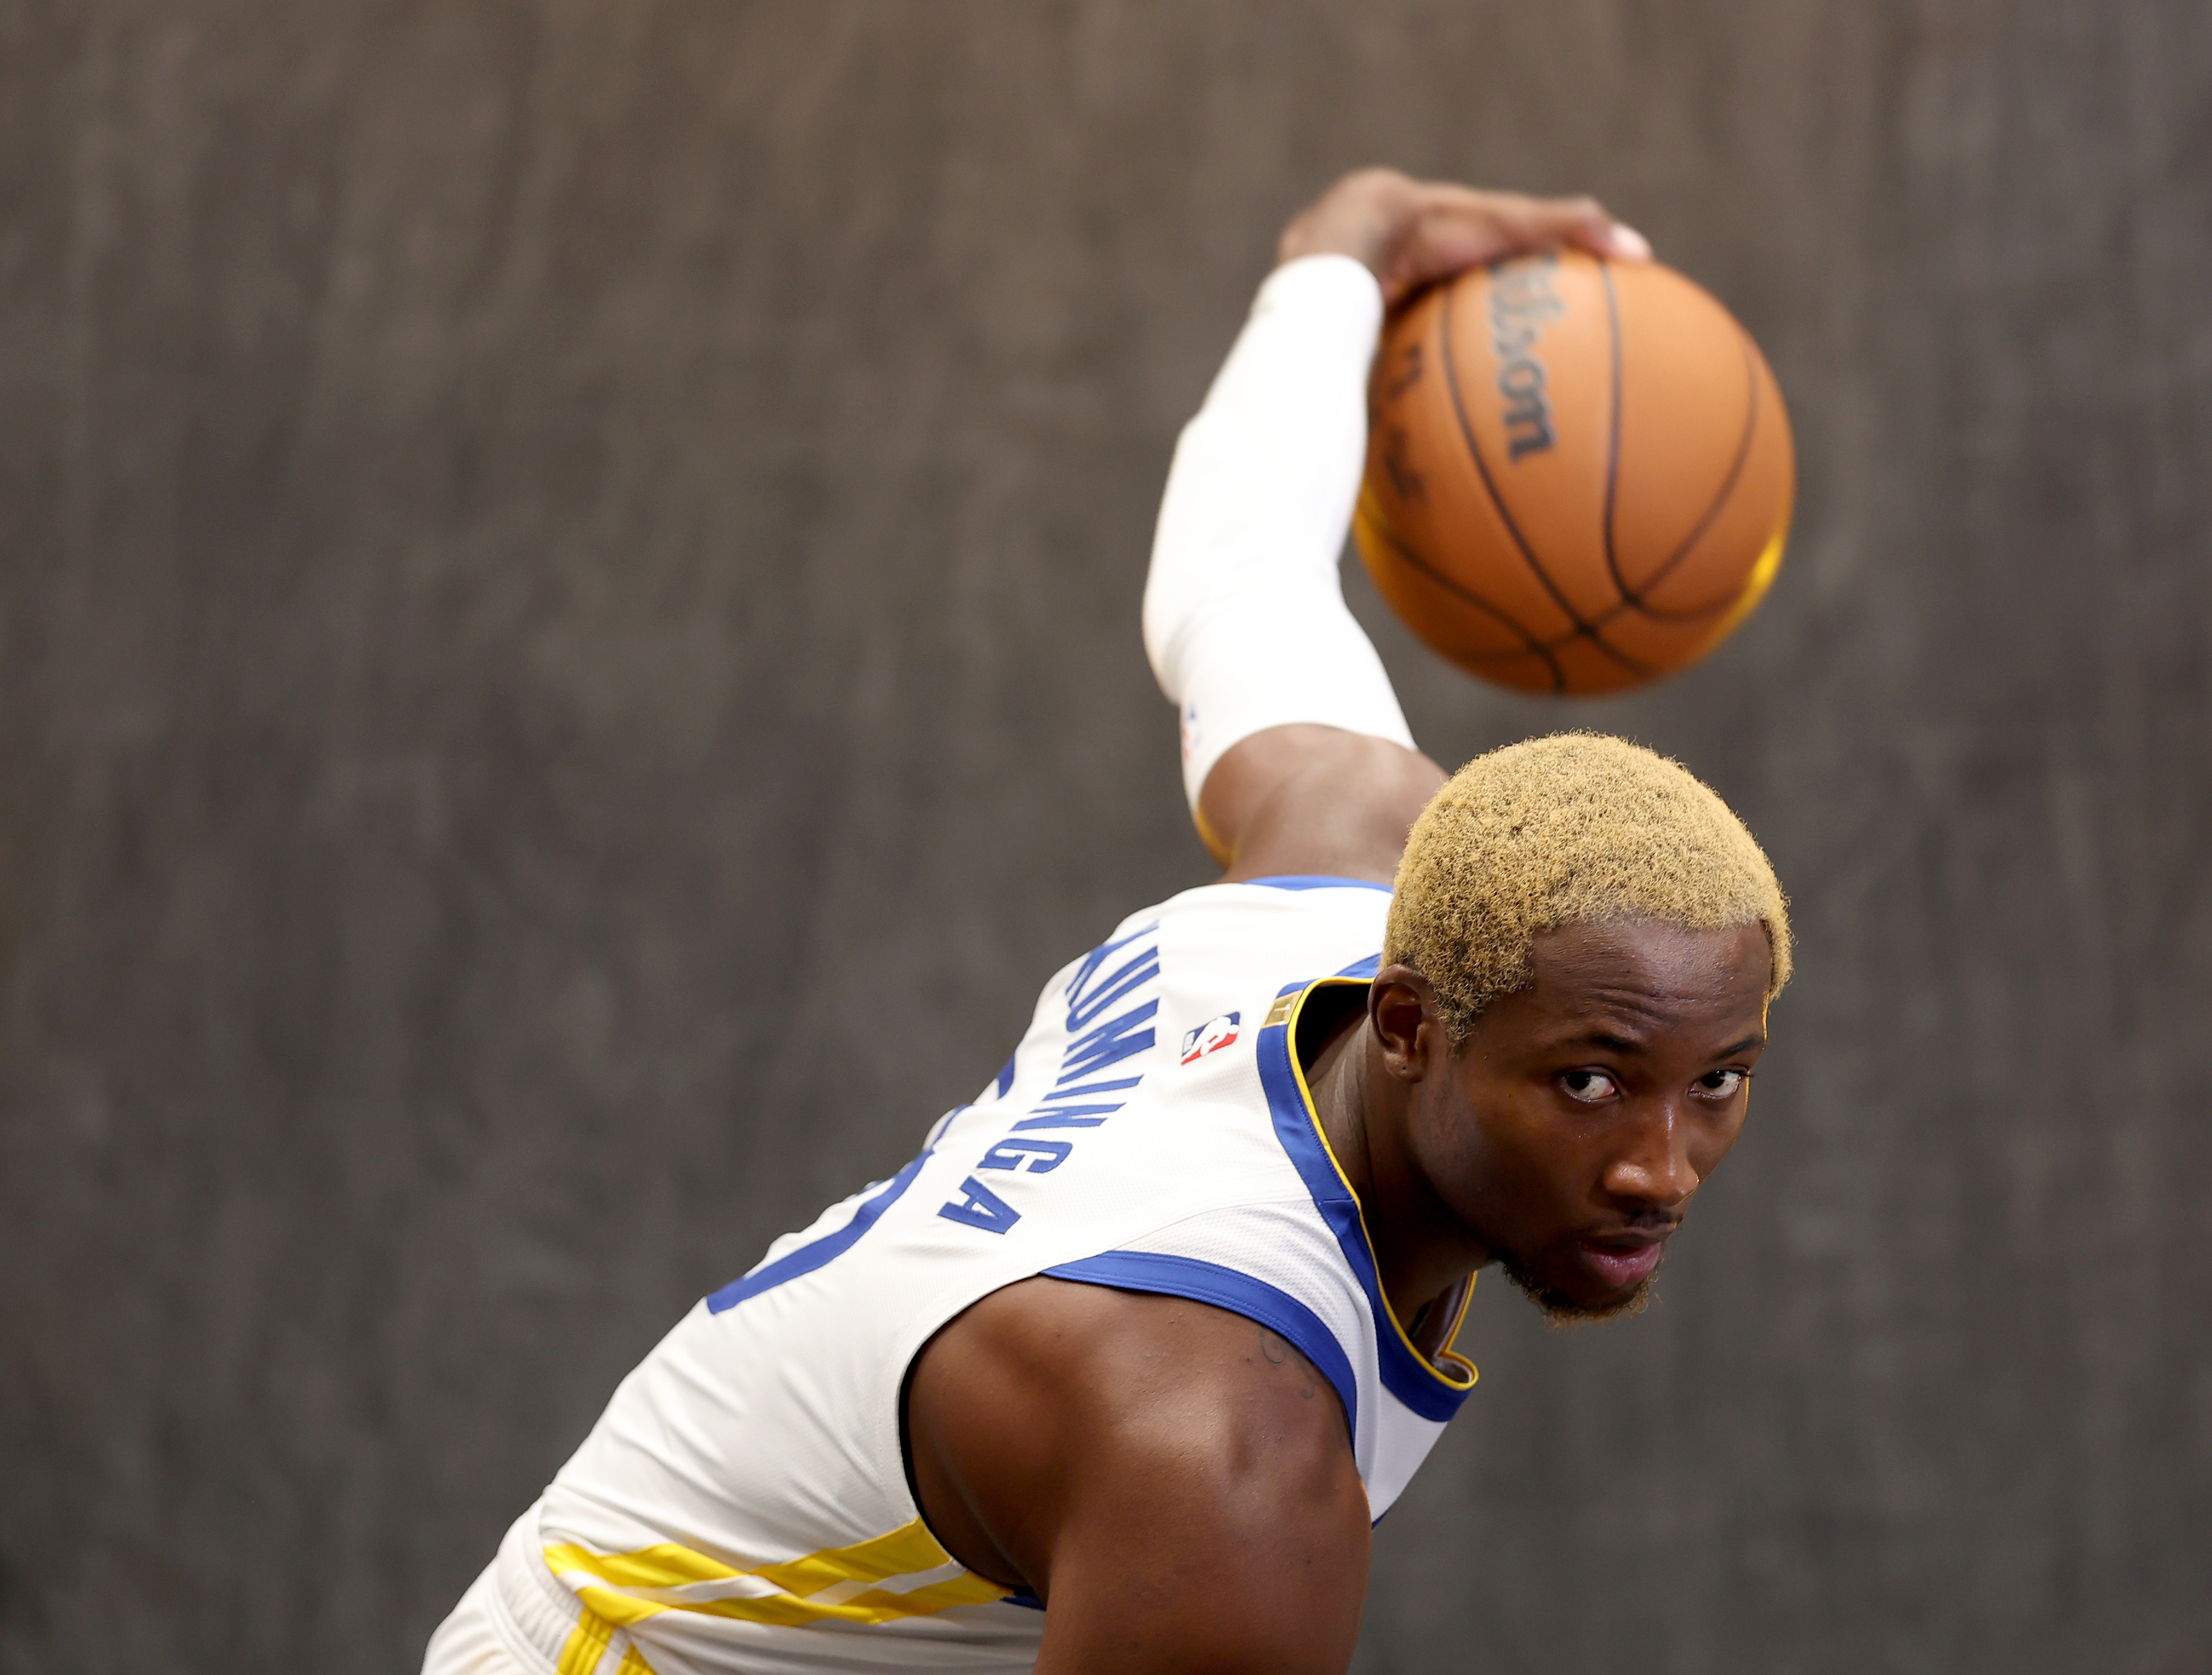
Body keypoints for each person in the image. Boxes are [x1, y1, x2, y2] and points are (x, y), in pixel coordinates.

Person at [423, 167, 1793, 1675]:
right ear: (1408, 1023)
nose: (1659, 1169)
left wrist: (1348, 252)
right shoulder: (1223, 1458)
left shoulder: (1352, 868)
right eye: (1589, 1082)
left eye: (1718, 1080)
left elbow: (1239, 566)